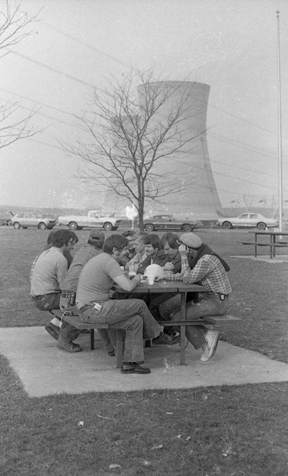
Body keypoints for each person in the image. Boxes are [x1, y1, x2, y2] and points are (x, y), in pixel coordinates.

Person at [76, 234, 162, 374]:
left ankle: (130, 363)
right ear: (115, 250)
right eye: (125, 249)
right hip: (94, 309)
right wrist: (137, 279)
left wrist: (127, 278)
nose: (128, 252)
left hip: (88, 309)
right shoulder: (109, 261)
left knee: (136, 320)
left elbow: (116, 281)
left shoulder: (101, 258)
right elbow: (128, 287)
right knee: (139, 304)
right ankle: (157, 333)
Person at [156, 232, 232, 362]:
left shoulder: (206, 260)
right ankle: (207, 335)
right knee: (175, 314)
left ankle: (206, 344)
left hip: (217, 301)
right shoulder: (201, 256)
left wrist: (183, 257)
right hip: (210, 298)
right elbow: (188, 275)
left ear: (187, 248)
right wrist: (165, 276)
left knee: (179, 317)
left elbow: (188, 278)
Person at [59, 230, 115, 356]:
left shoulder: (83, 249)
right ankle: (65, 339)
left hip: (67, 287)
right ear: (103, 243)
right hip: (75, 289)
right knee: (84, 311)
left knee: (81, 311)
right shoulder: (97, 254)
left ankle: (64, 337)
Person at [30, 229, 78, 343]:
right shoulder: (60, 259)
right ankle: (65, 338)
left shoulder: (47, 252)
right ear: (65, 242)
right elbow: (65, 287)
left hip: (39, 297)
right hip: (46, 298)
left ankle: (55, 324)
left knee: (72, 300)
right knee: (80, 302)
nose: (73, 247)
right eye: (72, 243)